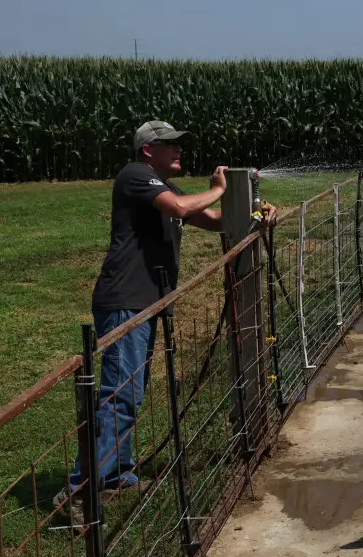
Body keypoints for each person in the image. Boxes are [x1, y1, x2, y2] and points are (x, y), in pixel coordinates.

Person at [55, 120, 277, 530]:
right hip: (125, 303)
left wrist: (252, 212)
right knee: (120, 394)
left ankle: (117, 476)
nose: (179, 150)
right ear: (147, 150)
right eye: (169, 145)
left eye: (179, 144)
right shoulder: (136, 176)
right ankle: (78, 493)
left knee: (130, 392)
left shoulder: (163, 186)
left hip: (145, 302)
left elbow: (209, 219)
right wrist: (221, 188)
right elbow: (181, 209)